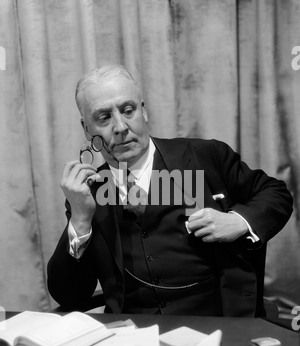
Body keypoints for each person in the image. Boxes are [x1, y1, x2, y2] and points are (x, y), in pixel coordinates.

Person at [47, 64, 293, 317]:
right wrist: (79, 220)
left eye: (128, 110)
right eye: (104, 117)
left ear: (144, 112)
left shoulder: (204, 156)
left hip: (217, 322)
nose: (120, 127)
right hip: (132, 334)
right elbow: (68, 295)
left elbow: (275, 193)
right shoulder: (89, 192)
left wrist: (238, 221)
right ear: (87, 129)